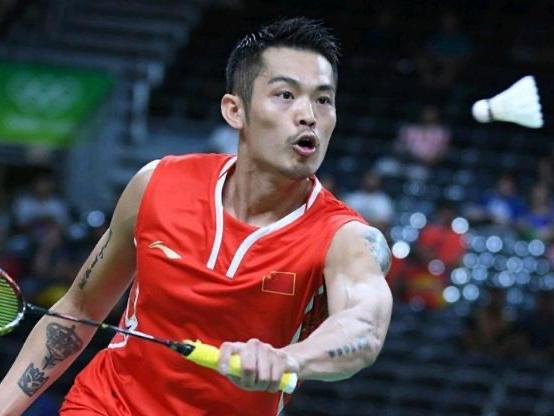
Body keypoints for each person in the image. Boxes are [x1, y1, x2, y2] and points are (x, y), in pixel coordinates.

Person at [0, 18, 393, 416]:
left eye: (323, 100)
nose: (308, 114)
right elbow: (80, 309)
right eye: (286, 95)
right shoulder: (157, 184)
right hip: (106, 404)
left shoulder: (345, 237)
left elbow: (364, 327)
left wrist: (290, 359)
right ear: (235, 111)